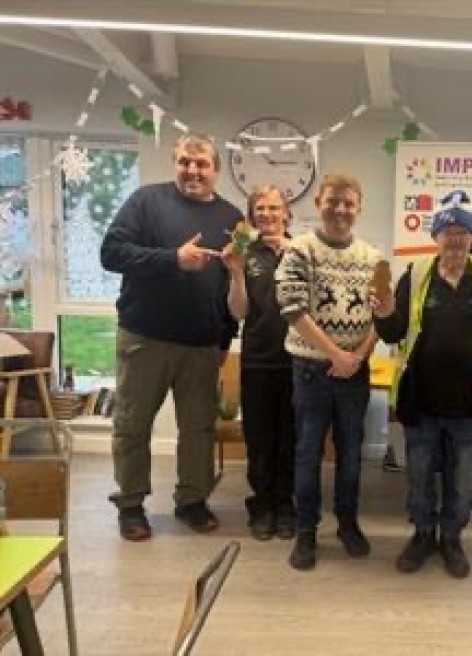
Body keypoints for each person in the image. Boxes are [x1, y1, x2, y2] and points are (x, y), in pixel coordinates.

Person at [373, 203, 472, 577]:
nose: (455, 240)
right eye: (448, 233)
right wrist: (384, 312)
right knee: (420, 477)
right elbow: (393, 333)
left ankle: (452, 539)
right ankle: (423, 535)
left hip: (470, 404)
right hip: (422, 401)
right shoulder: (415, 275)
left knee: (462, 482)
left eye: (463, 233)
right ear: (436, 237)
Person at [100, 133, 240, 541]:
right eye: (185, 162)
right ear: (175, 164)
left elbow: (230, 284)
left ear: (216, 170)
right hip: (144, 338)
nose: (192, 171)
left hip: (201, 345)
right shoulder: (146, 202)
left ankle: (192, 500)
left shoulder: (231, 218)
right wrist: (172, 259)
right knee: (132, 425)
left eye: (202, 164)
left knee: (199, 428)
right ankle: (130, 504)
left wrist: (224, 340)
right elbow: (111, 253)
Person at [275, 173, 380, 571]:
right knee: (308, 453)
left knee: (351, 454)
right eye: (333, 201)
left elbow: (380, 315)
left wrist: (357, 357)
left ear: (359, 208)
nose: (340, 209)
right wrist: (336, 354)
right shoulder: (299, 250)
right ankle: (306, 531)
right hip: (310, 370)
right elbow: (293, 309)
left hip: (355, 371)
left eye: (348, 203)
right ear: (319, 203)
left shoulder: (372, 257)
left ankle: (348, 523)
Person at [224, 185, 296, 541]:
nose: (267, 214)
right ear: (252, 216)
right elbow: (238, 312)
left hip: (297, 362)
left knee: (291, 440)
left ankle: (285, 505)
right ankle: (262, 505)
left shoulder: (303, 250)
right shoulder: (244, 253)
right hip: (257, 361)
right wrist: (236, 273)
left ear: (287, 213)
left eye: (274, 208)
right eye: (260, 209)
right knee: (259, 440)